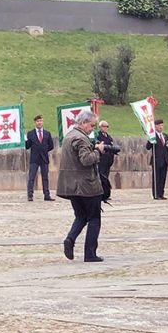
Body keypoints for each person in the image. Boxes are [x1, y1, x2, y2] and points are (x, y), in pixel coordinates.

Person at [57, 110, 106, 263]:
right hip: (86, 186)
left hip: (71, 186)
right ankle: (90, 253)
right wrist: (98, 151)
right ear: (83, 123)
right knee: (94, 219)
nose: (93, 128)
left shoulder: (69, 136)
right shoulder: (81, 139)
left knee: (80, 216)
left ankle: (70, 239)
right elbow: (86, 159)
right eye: (92, 125)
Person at [25, 114, 54, 201]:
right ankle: (30, 195)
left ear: (42, 121)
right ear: (35, 122)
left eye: (40, 121)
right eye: (38, 121)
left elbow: (51, 146)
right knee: (31, 177)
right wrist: (25, 140)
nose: (39, 122)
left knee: (45, 178)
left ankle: (47, 195)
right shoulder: (30, 134)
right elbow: (27, 146)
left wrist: (44, 150)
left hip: (44, 158)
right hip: (34, 158)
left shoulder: (47, 133)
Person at [145, 118, 168, 200]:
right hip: (156, 160)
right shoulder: (153, 136)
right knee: (156, 178)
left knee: (163, 178)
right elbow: (148, 147)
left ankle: (161, 193)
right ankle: (156, 194)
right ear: (155, 126)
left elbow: (167, 148)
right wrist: (150, 139)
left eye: (162, 125)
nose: (161, 127)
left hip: (164, 160)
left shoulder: (165, 136)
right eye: (159, 125)